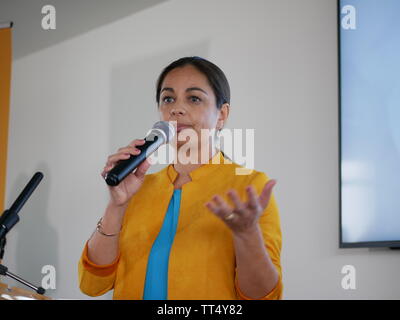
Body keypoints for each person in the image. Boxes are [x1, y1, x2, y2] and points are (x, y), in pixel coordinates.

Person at [78, 56, 283, 300]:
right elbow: (92, 285)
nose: (176, 108)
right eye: (168, 98)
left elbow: (264, 296)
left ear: (221, 115)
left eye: (194, 98)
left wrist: (247, 235)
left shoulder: (249, 187)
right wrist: (116, 205)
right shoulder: (138, 187)